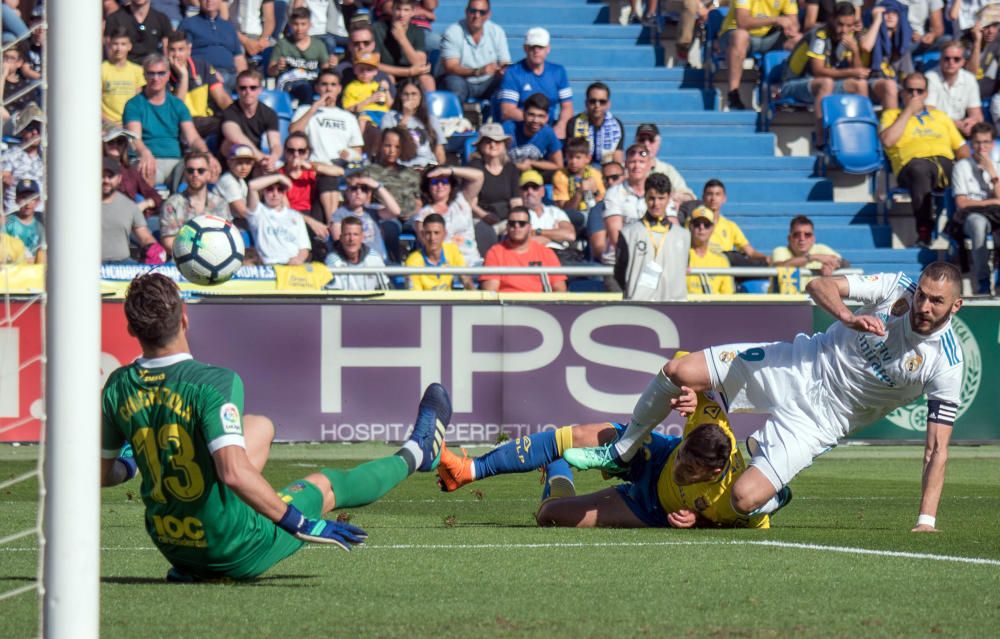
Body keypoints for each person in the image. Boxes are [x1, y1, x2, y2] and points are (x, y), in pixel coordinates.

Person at [566, 262, 965, 533]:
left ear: (956, 306)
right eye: (923, 296)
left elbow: (935, 450)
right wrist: (846, 315)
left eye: (936, 301)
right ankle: (623, 450)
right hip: (797, 364)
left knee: (744, 498)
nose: (923, 306)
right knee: (679, 371)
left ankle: (774, 497)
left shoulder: (945, 364)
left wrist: (926, 520)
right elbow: (818, 285)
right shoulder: (897, 288)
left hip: (823, 419)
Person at [100, 272, 450, 581]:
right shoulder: (213, 383)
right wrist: (298, 522)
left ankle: (204, 547)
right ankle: (418, 453)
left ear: (131, 329)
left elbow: (101, 474)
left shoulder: (117, 385)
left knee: (260, 426)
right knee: (325, 485)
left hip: (172, 545)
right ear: (185, 320)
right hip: (232, 548)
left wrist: (131, 464)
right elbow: (234, 474)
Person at [436, 382, 770, 529]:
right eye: (686, 454)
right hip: (656, 455)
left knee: (549, 515)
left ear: (712, 474)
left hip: (651, 509)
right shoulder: (711, 422)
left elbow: (757, 517)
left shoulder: (731, 496)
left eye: (691, 468)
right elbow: (688, 367)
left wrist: (700, 522)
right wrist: (693, 394)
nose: (683, 466)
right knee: (578, 435)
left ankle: (558, 469)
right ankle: (469, 470)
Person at [781, 2, 894, 145]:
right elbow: (818, 71)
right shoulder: (819, 35)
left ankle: (864, 134)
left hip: (820, 84)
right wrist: (852, 71)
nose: (844, 30)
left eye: (849, 25)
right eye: (840, 24)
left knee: (859, 84)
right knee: (826, 83)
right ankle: (822, 139)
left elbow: (857, 73)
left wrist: (855, 51)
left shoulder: (848, 37)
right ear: (832, 19)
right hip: (793, 83)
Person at [880, 72, 969, 247]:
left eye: (919, 91)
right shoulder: (892, 115)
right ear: (902, 93)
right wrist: (908, 112)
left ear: (926, 94)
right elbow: (888, 140)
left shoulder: (940, 117)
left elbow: (962, 148)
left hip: (943, 164)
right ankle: (924, 230)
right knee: (920, 169)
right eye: (910, 90)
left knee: (964, 171)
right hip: (911, 168)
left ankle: (955, 226)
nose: (914, 95)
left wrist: (968, 167)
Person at [123, 54, 212, 188]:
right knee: (146, 170)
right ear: (144, 75)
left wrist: (207, 155)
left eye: (160, 73)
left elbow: (193, 138)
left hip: (175, 161)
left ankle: (187, 206)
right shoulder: (134, 104)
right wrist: (145, 153)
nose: (156, 78)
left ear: (168, 75)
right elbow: (135, 139)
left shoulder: (177, 105)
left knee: (198, 170)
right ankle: (151, 206)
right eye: (151, 73)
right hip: (146, 159)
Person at [614, 172, 690, 301]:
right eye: (651, 198)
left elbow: (683, 270)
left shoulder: (683, 235)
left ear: (669, 198)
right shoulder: (629, 233)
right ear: (645, 197)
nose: (656, 204)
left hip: (675, 307)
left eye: (661, 198)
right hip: (639, 307)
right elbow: (620, 274)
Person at [719, 0, 801, 110]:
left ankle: (789, 92)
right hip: (737, 35)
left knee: (799, 40)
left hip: (769, 37)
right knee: (740, 36)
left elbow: (794, 22)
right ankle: (733, 93)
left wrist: (791, 28)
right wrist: (776, 19)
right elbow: (742, 22)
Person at [951, 121, 1000, 295]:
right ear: (971, 143)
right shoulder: (961, 167)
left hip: (996, 216)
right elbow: (962, 203)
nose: (981, 147)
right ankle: (983, 281)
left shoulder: (997, 165)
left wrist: (992, 173)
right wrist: (990, 202)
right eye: (977, 142)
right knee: (978, 224)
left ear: (992, 143)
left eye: (986, 142)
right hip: (971, 216)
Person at [497, 27, 573, 139]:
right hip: (521, 128)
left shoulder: (558, 71)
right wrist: (536, 122)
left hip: (549, 127)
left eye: (540, 47)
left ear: (548, 49)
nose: (536, 51)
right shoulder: (513, 73)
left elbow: (567, 106)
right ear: (525, 48)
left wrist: (561, 125)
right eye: (532, 47)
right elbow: (507, 111)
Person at [279, 131, 346, 258]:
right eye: (291, 151)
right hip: (294, 218)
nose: (296, 155)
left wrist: (310, 165)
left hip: (317, 214)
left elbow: (340, 171)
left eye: (301, 151)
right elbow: (285, 210)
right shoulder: (279, 175)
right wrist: (312, 223)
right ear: (285, 152)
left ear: (308, 152)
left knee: (329, 179)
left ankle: (334, 230)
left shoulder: (312, 168)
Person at [480, 205, 567, 293]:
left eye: (522, 223)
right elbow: (490, 292)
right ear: (507, 226)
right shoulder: (495, 252)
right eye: (512, 223)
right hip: (507, 305)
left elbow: (560, 289)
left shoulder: (546, 253)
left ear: (529, 227)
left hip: (539, 305)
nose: (516, 226)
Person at [158, 152, 231, 255]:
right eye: (190, 170)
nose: (195, 174)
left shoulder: (220, 204)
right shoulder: (172, 204)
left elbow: (227, 237)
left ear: (209, 174)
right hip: (183, 261)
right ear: (185, 173)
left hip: (215, 259)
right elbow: (168, 242)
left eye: (201, 171)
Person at [165, 29, 233, 138]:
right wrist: (183, 77)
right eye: (172, 50)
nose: (176, 55)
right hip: (180, 124)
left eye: (181, 50)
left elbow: (221, 97)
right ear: (167, 52)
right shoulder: (162, 74)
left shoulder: (202, 66)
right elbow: (176, 111)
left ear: (189, 50)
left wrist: (237, 116)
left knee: (230, 126)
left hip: (206, 121)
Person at [440, 0, 511, 102]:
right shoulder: (453, 32)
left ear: (488, 15)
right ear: (466, 12)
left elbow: (505, 62)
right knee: (453, 83)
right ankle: (457, 117)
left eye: (482, 12)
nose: (477, 15)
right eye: (473, 11)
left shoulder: (497, 32)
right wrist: (478, 71)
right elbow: (450, 67)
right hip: (463, 80)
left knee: (508, 81)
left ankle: (499, 116)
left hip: (489, 81)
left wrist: (502, 70)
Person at [416, 165, 488, 265]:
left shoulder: (461, 200)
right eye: (434, 182)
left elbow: (479, 176)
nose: (440, 185)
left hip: (472, 261)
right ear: (427, 187)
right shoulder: (423, 214)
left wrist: (449, 170)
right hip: (446, 264)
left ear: (451, 185)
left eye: (444, 181)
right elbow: (427, 243)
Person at [290, 68, 365, 164]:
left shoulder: (349, 117)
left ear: (339, 89)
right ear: (317, 88)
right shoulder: (304, 110)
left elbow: (357, 150)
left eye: (333, 85)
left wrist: (350, 155)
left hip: (339, 169)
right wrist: (314, 108)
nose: (329, 89)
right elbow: (293, 132)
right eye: (324, 84)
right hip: (314, 166)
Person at [367, 127, 423, 246]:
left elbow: (418, 201)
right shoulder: (370, 172)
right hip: (386, 216)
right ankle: (393, 262)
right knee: (390, 228)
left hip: (410, 217)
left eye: (397, 147)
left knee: (423, 225)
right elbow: (367, 203)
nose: (392, 151)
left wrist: (412, 212)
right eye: (388, 145)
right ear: (381, 146)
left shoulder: (411, 174)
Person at [101, 156, 161, 264]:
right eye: (102, 176)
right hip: (89, 266)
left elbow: (145, 237)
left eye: (110, 176)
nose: (106, 180)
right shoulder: (81, 206)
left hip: (122, 266)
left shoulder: (130, 206)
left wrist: (153, 250)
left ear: (119, 178)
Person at [179, 0, 248, 93]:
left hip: (231, 76)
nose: (209, 0)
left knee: (252, 87)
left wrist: (245, 79)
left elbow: (239, 58)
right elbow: (184, 55)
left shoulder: (229, 27)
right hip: (204, 75)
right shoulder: (188, 24)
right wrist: (209, 72)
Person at [268, 6, 334, 103]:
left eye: (303, 24)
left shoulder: (318, 45)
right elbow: (270, 71)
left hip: (311, 82)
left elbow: (325, 70)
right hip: (289, 82)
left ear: (309, 25)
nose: (299, 28)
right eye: (296, 24)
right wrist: (277, 66)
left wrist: (331, 64)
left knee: (308, 88)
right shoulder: (283, 44)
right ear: (290, 24)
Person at [330, 171, 400, 261]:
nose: (358, 192)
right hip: (355, 262)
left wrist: (377, 186)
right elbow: (338, 241)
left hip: (379, 262)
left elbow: (396, 211)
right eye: (354, 188)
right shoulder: (340, 214)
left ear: (368, 194)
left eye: (364, 189)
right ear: (347, 192)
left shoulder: (373, 211)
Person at [601, 145, 652, 268]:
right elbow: (616, 238)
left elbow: (672, 225)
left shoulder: (658, 192)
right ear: (626, 165)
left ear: (649, 165)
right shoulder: (614, 193)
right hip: (618, 264)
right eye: (632, 162)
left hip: (650, 261)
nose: (636, 166)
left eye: (641, 162)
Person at [244, 172, 311, 265]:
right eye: (270, 189)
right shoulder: (258, 212)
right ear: (264, 191)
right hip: (268, 266)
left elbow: (304, 248)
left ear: (284, 193)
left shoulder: (296, 216)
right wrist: (279, 177)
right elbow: (252, 186)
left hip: (292, 266)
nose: (275, 194)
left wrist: (298, 260)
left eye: (280, 190)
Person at [221, 69, 281, 171]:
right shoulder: (229, 112)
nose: (247, 92)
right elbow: (236, 137)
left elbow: (275, 144)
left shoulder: (269, 114)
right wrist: (261, 158)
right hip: (230, 162)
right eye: (243, 88)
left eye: (253, 88)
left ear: (260, 89)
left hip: (254, 162)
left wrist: (273, 158)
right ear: (237, 89)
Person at [700, 179, 770, 265]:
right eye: (709, 194)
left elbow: (750, 252)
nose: (713, 198)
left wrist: (766, 258)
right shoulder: (694, 223)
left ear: (724, 199)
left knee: (735, 257)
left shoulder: (730, 226)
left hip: (726, 266)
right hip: (704, 263)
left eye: (717, 194)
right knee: (732, 256)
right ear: (703, 197)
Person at [380, 78, 446, 168]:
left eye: (414, 94)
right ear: (400, 96)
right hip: (403, 166)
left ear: (420, 97)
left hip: (428, 164)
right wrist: (406, 116)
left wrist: (440, 169)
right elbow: (390, 142)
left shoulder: (431, 119)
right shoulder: (389, 117)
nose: (409, 98)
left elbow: (439, 150)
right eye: (405, 94)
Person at [371, 0, 434, 91]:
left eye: (406, 10)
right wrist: (408, 72)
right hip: (388, 72)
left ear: (412, 12)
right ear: (392, 10)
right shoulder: (378, 29)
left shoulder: (417, 31)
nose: (401, 14)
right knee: (388, 78)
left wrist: (402, 39)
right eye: (398, 9)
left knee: (427, 80)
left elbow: (420, 64)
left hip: (411, 74)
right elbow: (374, 64)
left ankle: (426, 105)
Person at [925, 39, 983, 137]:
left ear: (963, 62)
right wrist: (953, 124)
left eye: (956, 59)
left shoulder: (969, 79)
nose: (951, 62)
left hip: (961, 129)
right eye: (947, 58)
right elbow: (929, 113)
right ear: (941, 60)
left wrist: (972, 122)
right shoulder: (930, 78)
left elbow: (976, 113)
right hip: (936, 129)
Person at [633, 123, 695, 212]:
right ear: (636, 142)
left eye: (651, 140)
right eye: (642, 140)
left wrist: (672, 196)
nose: (646, 144)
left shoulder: (667, 170)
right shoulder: (627, 169)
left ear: (658, 143)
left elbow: (689, 196)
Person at [405, 212, 474, 290]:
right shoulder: (413, 261)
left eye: (436, 233)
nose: (432, 238)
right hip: (425, 301)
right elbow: (415, 297)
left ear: (445, 234)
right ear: (422, 234)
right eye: (428, 233)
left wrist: (475, 296)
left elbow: (465, 279)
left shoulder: (452, 250)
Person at [467, 122, 520, 224]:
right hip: (480, 219)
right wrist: (486, 217)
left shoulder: (511, 168)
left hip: (507, 220)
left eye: (497, 141)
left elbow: (516, 201)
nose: (493, 145)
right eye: (488, 141)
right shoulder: (474, 167)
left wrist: (514, 221)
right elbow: (471, 203)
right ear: (480, 145)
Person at [103, 125, 163, 214]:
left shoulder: (130, 171)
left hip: (128, 216)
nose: (115, 145)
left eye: (120, 142)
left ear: (125, 145)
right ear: (104, 145)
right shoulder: (94, 169)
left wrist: (145, 204)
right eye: (111, 142)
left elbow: (155, 196)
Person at [519, 169, 577, 260]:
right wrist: (554, 236)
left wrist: (538, 232)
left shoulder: (555, 212)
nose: (530, 192)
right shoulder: (518, 214)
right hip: (531, 258)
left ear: (542, 191)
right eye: (525, 188)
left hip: (561, 256)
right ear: (520, 192)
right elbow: (519, 242)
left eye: (534, 187)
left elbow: (570, 235)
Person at [325, 214, 392, 291]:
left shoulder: (374, 258)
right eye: (347, 234)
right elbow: (333, 297)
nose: (351, 239)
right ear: (341, 238)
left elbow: (385, 290)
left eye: (355, 234)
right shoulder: (332, 261)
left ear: (362, 237)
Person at [502, 93, 563, 173]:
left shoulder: (548, 133)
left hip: (531, 176)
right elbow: (493, 159)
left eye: (541, 116)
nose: (535, 120)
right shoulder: (508, 129)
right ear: (524, 114)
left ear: (547, 118)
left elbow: (558, 165)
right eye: (531, 115)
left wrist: (532, 163)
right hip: (507, 173)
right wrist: (517, 166)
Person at [567, 82, 625, 166]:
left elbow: (617, 159)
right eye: (592, 101)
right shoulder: (574, 123)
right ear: (586, 103)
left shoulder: (616, 125)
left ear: (608, 104)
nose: (597, 105)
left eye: (602, 102)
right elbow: (573, 156)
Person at [770, 214, 846, 279]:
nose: (802, 238)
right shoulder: (780, 250)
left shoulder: (821, 248)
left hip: (814, 295)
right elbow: (779, 267)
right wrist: (812, 257)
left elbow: (844, 263)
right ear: (789, 238)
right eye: (796, 234)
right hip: (786, 296)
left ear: (813, 238)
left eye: (807, 234)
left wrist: (833, 266)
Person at [860, 1, 914, 88]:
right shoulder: (869, 32)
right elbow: (866, 47)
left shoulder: (902, 42)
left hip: (895, 82)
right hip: (872, 80)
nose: (890, 16)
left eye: (894, 13)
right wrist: (877, 20)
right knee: (890, 86)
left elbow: (907, 74)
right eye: (886, 13)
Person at [2, 106, 44, 214]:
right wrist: (5, 177)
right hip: (15, 214)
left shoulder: (45, 156)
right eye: (30, 127)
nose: (35, 132)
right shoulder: (11, 155)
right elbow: (3, 175)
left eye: (39, 128)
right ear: (22, 131)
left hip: (40, 216)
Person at [104, 0, 172, 64]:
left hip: (151, 70)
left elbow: (167, 52)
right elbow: (109, 50)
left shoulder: (162, 19)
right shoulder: (114, 19)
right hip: (123, 69)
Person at [102, 27, 147, 125]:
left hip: (131, 123)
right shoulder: (101, 69)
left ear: (129, 46)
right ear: (109, 45)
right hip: (107, 126)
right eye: (115, 44)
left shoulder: (137, 70)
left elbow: (139, 101)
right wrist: (111, 124)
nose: (119, 48)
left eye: (123, 44)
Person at [552, 137, 605, 217]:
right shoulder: (560, 176)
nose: (573, 162)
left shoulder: (596, 174)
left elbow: (603, 205)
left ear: (588, 158)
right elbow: (565, 211)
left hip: (593, 215)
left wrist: (595, 192)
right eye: (570, 157)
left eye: (578, 157)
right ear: (565, 157)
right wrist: (579, 192)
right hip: (573, 218)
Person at [686, 207, 734, 295]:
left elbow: (727, 295)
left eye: (706, 224)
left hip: (713, 308)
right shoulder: (681, 257)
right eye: (697, 224)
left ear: (712, 228)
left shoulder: (721, 260)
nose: (701, 228)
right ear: (690, 226)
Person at [342, 51, 391, 131]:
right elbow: (348, 109)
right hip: (365, 114)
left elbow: (391, 106)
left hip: (383, 114)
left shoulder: (379, 86)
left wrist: (387, 90)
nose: (365, 73)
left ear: (375, 72)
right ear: (355, 70)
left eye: (369, 69)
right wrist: (370, 100)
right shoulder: (351, 87)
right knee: (362, 119)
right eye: (361, 69)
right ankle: (359, 143)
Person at [586, 160, 625, 260]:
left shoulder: (638, 203)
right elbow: (598, 249)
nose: (610, 182)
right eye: (606, 179)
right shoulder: (598, 209)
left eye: (614, 177)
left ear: (625, 176)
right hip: (613, 264)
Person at [5, 179, 45, 264]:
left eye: (32, 198)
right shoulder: (8, 223)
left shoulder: (43, 220)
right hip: (18, 273)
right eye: (23, 198)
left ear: (38, 201)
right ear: (16, 200)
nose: (27, 204)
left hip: (41, 272)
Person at [215, 144, 257, 221]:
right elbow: (243, 213)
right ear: (229, 162)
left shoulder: (241, 180)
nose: (244, 167)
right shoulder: (228, 180)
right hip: (220, 223)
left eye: (248, 163)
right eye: (239, 163)